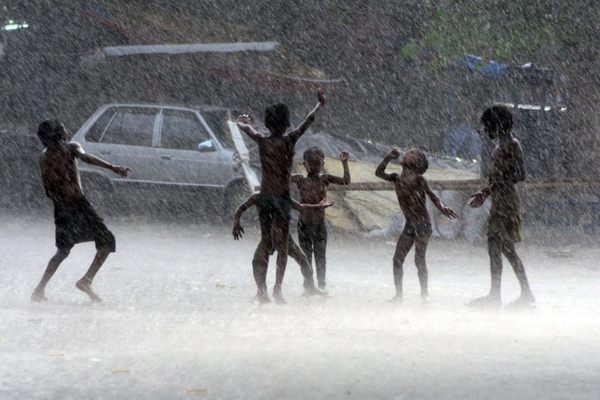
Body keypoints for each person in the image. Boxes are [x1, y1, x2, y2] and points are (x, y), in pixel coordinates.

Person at [236, 89, 325, 303]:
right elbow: (307, 121)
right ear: (286, 124)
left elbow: (247, 128)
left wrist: (241, 121)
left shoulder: (262, 141)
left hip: (266, 197)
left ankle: (263, 292)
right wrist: (319, 104)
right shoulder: (289, 141)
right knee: (283, 248)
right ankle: (276, 288)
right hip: (283, 199)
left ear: (267, 124)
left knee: (266, 244)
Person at [31, 120, 130, 303]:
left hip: (61, 208)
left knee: (63, 251)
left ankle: (39, 288)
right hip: (78, 205)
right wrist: (113, 167)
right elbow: (86, 157)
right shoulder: (71, 148)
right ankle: (86, 280)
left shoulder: (43, 157)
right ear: (60, 134)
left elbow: (48, 189)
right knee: (107, 240)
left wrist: (59, 200)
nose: (67, 131)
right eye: (63, 129)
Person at [468, 106, 535, 307]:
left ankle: (525, 293)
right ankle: (496, 294)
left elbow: (520, 175)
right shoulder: (499, 147)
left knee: (506, 248)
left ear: (497, 126)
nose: (485, 131)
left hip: (507, 202)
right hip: (499, 201)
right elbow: (498, 178)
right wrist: (486, 192)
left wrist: (495, 186)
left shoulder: (512, 145)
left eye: (488, 126)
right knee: (494, 247)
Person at [376, 148, 457, 302]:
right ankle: (398, 295)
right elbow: (379, 173)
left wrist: (442, 207)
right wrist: (387, 157)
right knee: (397, 259)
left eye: (412, 153)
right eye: (408, 152)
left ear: (418, 163)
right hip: (409, 225)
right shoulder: (396, 178)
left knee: (419, 260)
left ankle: (424, 294)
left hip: (422, 225)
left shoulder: (419, 179)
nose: (406, 153)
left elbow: (433, 196)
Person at [232, 193, 332, 300]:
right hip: (269, 237)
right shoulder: (259, 196)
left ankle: (308, 287)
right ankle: (262, 291)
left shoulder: (283, 197)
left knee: (303, 260)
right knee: (257, 261)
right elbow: (241, 208)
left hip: (284, 237)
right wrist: (236, 223)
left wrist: (318, 206)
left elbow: (301, 207)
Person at [292, 147, 351, 289]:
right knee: (305, 258)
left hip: (319, 225)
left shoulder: (325, 179)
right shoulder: (299, 179)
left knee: (320, 257)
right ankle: (308, 285)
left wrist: (344, 163)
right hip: (304, 225)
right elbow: (280, 178)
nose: (314, 166)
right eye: (311, 163)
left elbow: (346, 181)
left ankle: (321, 285)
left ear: (323, 164)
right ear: (304, 164)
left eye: (317, 163)